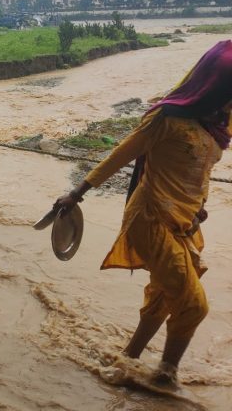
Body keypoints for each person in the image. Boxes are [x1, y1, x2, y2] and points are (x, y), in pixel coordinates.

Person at [54, 40, 232, 388]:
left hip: (186, 221)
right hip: (151, 217)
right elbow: (121, 153)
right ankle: (165, 376)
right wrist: (76, 194)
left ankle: (128, 359)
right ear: (216, 87)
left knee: (165, 294)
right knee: (194, 305)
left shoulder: (218, 124)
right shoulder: (167, 117)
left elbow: (202, 170)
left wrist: (200, 205)